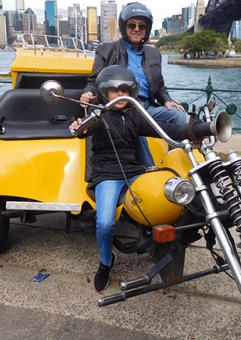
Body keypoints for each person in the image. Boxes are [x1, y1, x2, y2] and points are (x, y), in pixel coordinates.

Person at [71, 65, 211, 292]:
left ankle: (160, 245)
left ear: (132, 92)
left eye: (124, 90)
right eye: (114, 90)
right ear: (105, 92)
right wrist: (80, 125)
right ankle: (106, 262)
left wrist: (199, 129)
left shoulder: (135, 115)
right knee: (105, 223)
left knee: (164, 198)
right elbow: (85, 129)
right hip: (108, 175)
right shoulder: (99, 115)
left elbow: (165, 129)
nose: (119, 95)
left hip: (134, 172)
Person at [80, 2, 186, 167]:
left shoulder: (154, 54)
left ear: (147, 29)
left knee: (178, 114)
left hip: (147, 106)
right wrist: (87, 93)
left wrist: (167, 100)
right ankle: (150, 169)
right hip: (122, 105)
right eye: (132, 25)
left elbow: (160, 85)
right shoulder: (107, 49)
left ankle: (176, 161)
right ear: (124, 27)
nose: (137, 29)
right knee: (136, 121)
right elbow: (95, 80)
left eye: (141, 26)